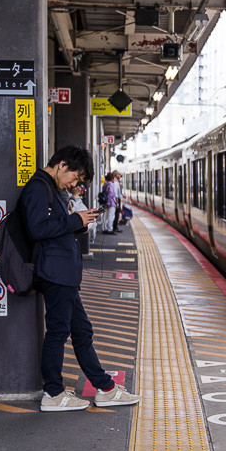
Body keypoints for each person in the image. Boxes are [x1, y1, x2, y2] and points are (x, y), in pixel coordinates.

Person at [21, 146, 140, 411]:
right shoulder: (39, 188)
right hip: (55, 274)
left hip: (63, 273)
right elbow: (37, 229)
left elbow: (52, 227)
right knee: (58, 333)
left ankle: (105, 387)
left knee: (82, 331)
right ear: (62, 165)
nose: (75, 183)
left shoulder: (50, 188)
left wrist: (77, 221)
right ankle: (53, 393)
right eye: (75, 177)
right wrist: (76, 221)